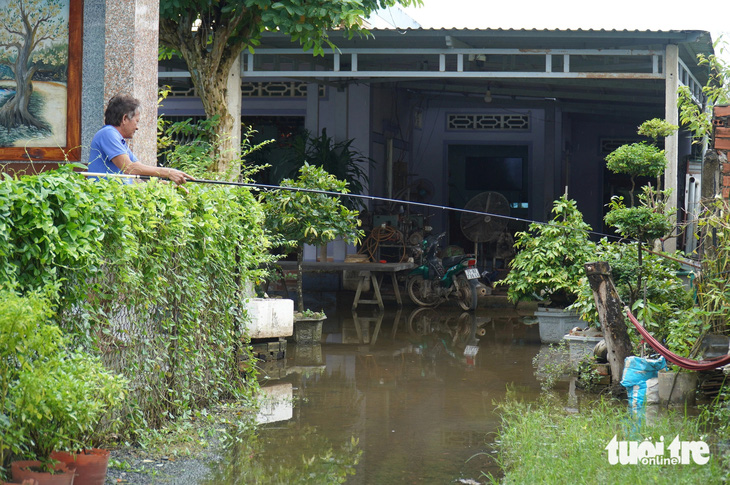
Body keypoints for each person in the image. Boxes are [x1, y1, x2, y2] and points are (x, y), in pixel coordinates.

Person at [88, 94, 192, 185]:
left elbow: (139, 169)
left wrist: (167, 186)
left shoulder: (118, 139)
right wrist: (168, 172)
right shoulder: (108, 133)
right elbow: (129, 168)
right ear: (124, 119)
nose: (137, 127)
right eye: (136, 121)